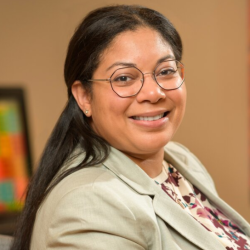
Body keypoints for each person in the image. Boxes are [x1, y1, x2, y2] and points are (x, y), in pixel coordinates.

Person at [11, 5, 250, 250]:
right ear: (84, 97)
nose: (153, 93)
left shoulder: (181, 160)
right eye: (124, 78)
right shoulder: (89, 205)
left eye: (166, 71)